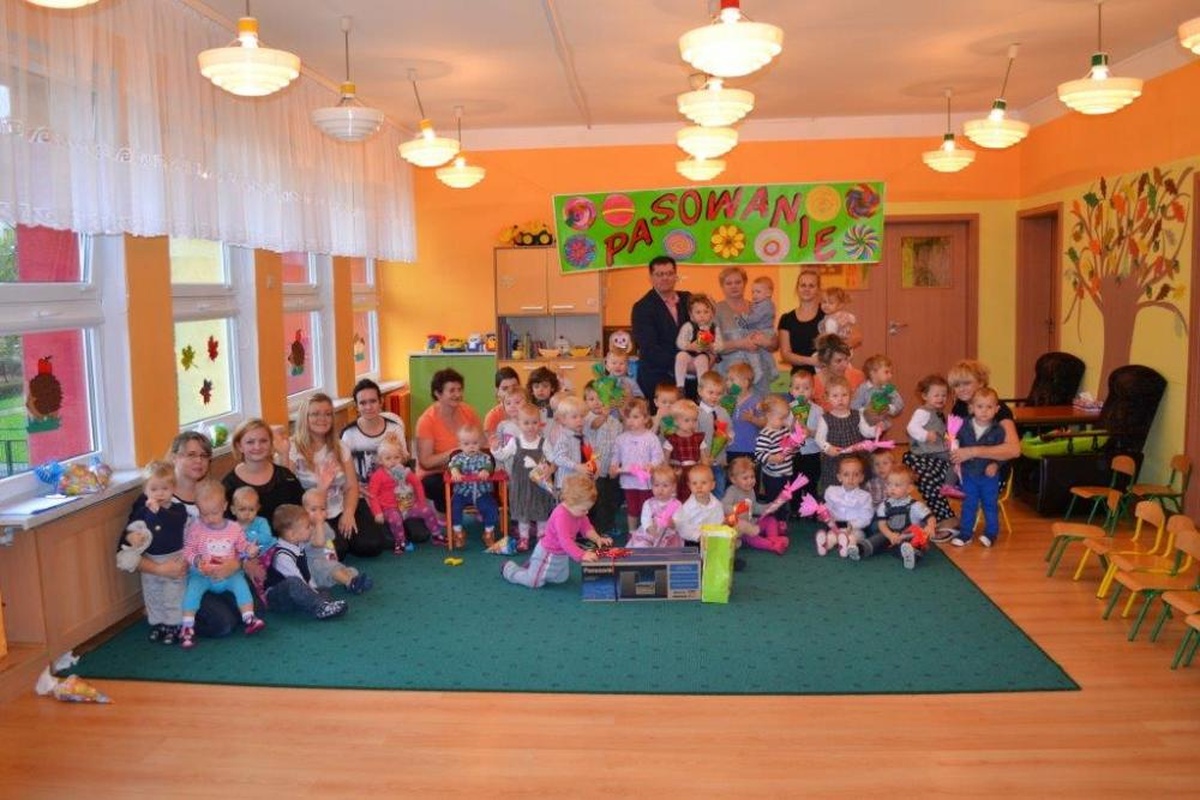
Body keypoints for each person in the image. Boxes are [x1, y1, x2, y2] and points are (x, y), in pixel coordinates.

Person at [120, 431, 243, 641]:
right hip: (177, 577)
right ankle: (168, 618)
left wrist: (235, 563)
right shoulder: (153, 499)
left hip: (210, 568)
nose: (199, 461)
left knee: (248, 607)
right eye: (191, 455)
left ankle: (177, 614)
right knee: (223, 624)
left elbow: (233, 535)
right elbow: (125, 549)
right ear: (175, 457)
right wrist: (160, 569)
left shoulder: (211, 493)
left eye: (204, 456)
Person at [284, 393, 388, 559]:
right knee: (338, 550)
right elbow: (287, 493)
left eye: (327, 414)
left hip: (340, 505)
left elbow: (352, 486)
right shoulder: (293, 449)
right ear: (305, 418)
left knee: (372, 545)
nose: (322, 419)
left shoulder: (339, 446)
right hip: (314, 514)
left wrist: (348, 512)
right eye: (315, 414)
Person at [178, 480, 264, 649]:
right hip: (202, 575)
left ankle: (249, 618)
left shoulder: (234, 528)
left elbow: (242, 546)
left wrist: (250, 550)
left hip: (229, 575)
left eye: (214, 513)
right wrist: (197, 560)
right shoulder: (196, 528)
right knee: (192, 592)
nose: (209, 519)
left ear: (224, 506)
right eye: (204, 514)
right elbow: (188, 550)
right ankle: (187, 626)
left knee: (241, 586)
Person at [119, 460, 192, 645]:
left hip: (174, 559)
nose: (159, 493)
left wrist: (159, 511)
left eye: (165, 488)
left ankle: (174, 625)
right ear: (145, 491)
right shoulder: (143, 511)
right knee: (153, 594)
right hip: (151, 560)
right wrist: (131, 536)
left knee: (173, 595)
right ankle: (158, 624)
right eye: (154, 489)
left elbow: (175, 522)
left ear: (173, 489)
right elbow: (133, 526)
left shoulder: (178, 510)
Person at [501, 473, 607, 589]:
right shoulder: (561, 516)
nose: (586, 512)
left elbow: (587, 528)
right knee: (534, 582)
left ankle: (533, 566)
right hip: (548, 552)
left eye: (587, 509)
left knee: (561, 579)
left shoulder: (579, 513)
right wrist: (582, 555)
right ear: (570, 502)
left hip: (561, 554)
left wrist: (597, 538)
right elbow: (565, 541)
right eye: (584, 509)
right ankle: (509, 569)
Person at [221, 417, 305, 535]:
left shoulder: (285, 476)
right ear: (239, 446)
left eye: (263, 441)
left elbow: (300, 512)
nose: (257, 447)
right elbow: (225, 528)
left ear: (271, 444)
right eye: (250, 442)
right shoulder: (229, 486)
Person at [263, 504, 348, 621]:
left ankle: (319, 603)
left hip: (295, 592)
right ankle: (320, 607)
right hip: (277, 598)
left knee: (323, 589)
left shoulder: (299, 545)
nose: (311, 529)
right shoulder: (282, 556)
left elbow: (306, 572)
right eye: (307, 527)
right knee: (294, 582)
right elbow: (298, 579)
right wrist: (313, 593)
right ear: (292, 534)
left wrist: (315, 589)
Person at [415, 368, 483, 513]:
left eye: (459, 389)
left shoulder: (468, 412)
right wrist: (455, 453)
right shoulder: (426, 421)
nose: (457, 394)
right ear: (438, 394)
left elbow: (482, 442)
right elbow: (425, 463)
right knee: (436, 484)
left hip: (467, 468)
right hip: (437, 474)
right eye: (452, 390)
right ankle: (447, 513)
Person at [951, 387, 1009, 548]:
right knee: (969, 504)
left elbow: (1004, 452)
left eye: (989, 407)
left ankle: (991, 533)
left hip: (989, 476)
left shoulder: (999, 431)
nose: (984, 411)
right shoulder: (963, 426)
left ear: (996, 409)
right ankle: (965, 534)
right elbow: (954, 443)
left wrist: (996, 464)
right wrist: (951, 445)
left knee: (989, 505)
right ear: (971, 408)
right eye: (980, 406)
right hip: (968, 474)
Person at [845, 465, 935, 570]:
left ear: (909, 488)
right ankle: (860, 549)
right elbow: (882, 524)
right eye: (889, 484)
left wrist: (930, 526)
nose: (892, 488)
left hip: (908, 536)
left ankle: (912, 555)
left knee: (918, 541)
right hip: (890, 534)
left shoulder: (915, 505)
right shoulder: (884, 505)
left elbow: (930, 517)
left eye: (897, 485)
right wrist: (890, 535)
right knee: (878, 538)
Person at [631, 255, 692, 406]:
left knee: (689, 420)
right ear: (651, 278)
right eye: (660, 274)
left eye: (670, 273)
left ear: (676, 276)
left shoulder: (688, 299)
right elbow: (649, 348)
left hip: (689, 380)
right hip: (658, 380)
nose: (665, 278)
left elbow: (701, 329)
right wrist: (685, 365)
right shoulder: (642, 307)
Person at [366, 438, 440, 554]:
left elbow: (417, 483)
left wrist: (421, 502)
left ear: (402, 458)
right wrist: (377, 512)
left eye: (396, 457)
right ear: (380, 460)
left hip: (407, 506)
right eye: (388, 458)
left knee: (427, 511)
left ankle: (437, 535)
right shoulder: (378, 476)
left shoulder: (404, 471)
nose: (393, 461)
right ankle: (400, 542)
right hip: (388, 509)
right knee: (396, 519)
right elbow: (372, 495)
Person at [903, 374, 956, 535]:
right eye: (936, 395)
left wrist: (947, 439)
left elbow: (940, 431)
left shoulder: (937, 412)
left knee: (954, 458)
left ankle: (947, 487)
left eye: (944, 395)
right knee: (955, 460)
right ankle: (948, 486)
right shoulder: (923, 412)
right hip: (928, 450)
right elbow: (911, 428)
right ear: (925, 396)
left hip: (934, 449)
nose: (941, 398)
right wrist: (925, 435)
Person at [503, 402, 558, 553]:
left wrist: (550, 469)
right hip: (521, 485)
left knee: (541, 511)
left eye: (534, 422)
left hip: (539, 485)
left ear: (540, 423)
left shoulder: (543, 442)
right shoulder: (515, 442)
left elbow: (554, 460)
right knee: (523, 512)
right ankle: (524, 538)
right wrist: (495, 449)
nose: (531, 426)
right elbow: (503, 455)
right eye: (526, 423)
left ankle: (542, 536)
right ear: (519, 423)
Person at [715, 269, 779, 397]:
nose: (734, 286)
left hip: (759, 377)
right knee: (732, 408)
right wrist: (741, 344)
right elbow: (712, 346)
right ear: (722, 286)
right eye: (728, 283)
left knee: (760, 407)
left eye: (738, 282)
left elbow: (775, 344)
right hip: (730, 377)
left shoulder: (759, 307)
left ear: (745, 283)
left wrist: (768, 342)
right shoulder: (715, 310)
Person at [609, 396, 665, 534]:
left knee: (649, 508)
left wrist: (651, 466)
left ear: (645, 418)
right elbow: (615, 457)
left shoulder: (651, 438)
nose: (631, 421)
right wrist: (613, 467)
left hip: (647, 483)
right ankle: (632, 532)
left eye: (635, 417)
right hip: (629, 483)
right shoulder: (621, 439)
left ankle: (649, 532)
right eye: (628, 417)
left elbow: (658, 458)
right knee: (632, 509)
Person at [302, 489, 373, 594]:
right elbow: (319, 542)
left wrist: (333, 558)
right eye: (313, 510)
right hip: (314, 565)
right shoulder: (305, 529)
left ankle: (352, 579)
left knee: (344, 569)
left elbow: (328, 543)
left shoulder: (325, 525)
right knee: (333, 569)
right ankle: (351, 583)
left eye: (322, 509)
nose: (319, 513)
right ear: (303, 512)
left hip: (325, 561)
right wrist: (319, 524)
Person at [814, 375, 875, 495]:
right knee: (836, 487)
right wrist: (827, 448)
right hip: (835, 460)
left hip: (857, 458)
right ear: (827, 398)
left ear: (851, 396)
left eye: (844, 395)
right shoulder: (825, 418)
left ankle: (858, 501)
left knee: (858, 484)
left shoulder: (857, 414)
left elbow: (866, 432)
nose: (840, 399)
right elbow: (819, 438)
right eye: (835, 396)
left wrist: (875, 429)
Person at [340, 378, 407, 488]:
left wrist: (393, 448)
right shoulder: (348, 434)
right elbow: (343, 471)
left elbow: (404, 460)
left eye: (373, 401)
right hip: (360, 491)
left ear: (381, 402)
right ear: (356, 406)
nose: (368, 407)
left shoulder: (394, 428)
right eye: (363, 403)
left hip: (390, 488)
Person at [447, 424, 501, 549]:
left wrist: (486, 471)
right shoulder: (458, 458)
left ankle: (488, 532)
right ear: (460, 445)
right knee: (454, 507)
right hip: (462, 492)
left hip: (481, 492)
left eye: (475, 443)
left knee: (491, 507)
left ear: (480, 443)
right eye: (466, 444)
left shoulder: (485, 457)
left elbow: (489, 466)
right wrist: (455, 472)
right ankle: (458, 532)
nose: (471, 446)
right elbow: (453, 466)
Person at [723, 456, 789, 554]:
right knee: (752, 537)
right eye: (745, 478)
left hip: (751, 522)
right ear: (733, 480)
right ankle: (771, 545)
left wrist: (770, 507)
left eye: (752, 477)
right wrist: (738, 508)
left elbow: (755, 507)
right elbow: (724, 507)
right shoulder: (732, 491)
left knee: (770, 520)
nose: (750, 481)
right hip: (740, 529)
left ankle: (774, 539)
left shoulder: (751, 490)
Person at [583, 380, 623, 537]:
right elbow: (595, 425)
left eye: (600, 398)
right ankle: (595, 530)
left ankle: (608, 525)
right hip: (594, 469)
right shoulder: (587, 418)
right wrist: (605, 414)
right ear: (586, 402)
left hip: (610, 468)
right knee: (596, 499)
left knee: (611, 498)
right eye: (591, 399)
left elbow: (618, 445)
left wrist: (616, 464)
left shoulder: (615, 422)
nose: (597, 402)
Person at [816, 454, 874, 559]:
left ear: (861, 478)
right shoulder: (832, 491)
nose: (851, 478)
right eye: (846, 474)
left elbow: (866, 517)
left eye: (856, 475)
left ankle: (848, 547)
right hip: (836, 527)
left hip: (855, 528)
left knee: (853, 537)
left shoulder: (865, 496)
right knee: (831, 536)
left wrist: (852, 526)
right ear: (839, 477)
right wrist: (823, 514)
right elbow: (828, 508)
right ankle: (825, 545)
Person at [754, 395, 798, 528]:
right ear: (769, 416)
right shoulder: (765, 434)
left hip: (786, 473)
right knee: (774, 500)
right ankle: (772, 521)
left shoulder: (784, 430)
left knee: (784, 499)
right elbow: (759, 454)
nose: (785, 421)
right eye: (781, 418)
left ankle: (781, 520)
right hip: (773, 476)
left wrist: (795, 446)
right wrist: (773, 458)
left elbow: (791, 449)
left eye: (786, 418)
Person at [777, 269, 826, 375]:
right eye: (803, 285)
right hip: (799, 380)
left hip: (826, 378)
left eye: (811, 286)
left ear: (818, 289)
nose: (806, 289)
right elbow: (785, 355)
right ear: (797, 288)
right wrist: (812, 361)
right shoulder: (786, 319)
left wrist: (835, 351)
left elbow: (856, 337)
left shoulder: (828, 314)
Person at [786, 369, 823, 509]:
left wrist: (810, 432)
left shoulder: (818, 410)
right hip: (794, 453)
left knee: (811, 482)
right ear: (791, 391)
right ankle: (795, 508)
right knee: (794, 481)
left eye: (806, 388)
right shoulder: (788, 409)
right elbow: (785, 430)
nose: (801, 392)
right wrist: (793, 424)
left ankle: (811, 508)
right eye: (797, 388)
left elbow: (822, 433)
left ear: (813, 391)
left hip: (812, 452)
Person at [626, 462, 683, 548]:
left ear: (673, 487)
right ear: (652, 486)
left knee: (669, 549)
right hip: (650, 533)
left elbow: (679, 521)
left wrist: (671, 523)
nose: (660, 489)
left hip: (668, 536)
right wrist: (650, 528)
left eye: (665, 486)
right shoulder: (648, 503)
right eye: (656, 485)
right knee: (641, 545)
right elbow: (645, 519)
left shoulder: (676, 504)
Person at [696, 370, 733, 498]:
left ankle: (718, 511)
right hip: (701, 463)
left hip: (719, 462)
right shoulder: (696, 413)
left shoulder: (724, 412)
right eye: (710, 392)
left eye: (719, 394)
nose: (714, 397)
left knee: (719, 492)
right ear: (700, 391)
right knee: (701, 493)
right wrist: (704, 458)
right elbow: (694, 437)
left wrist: (729, 438)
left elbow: (730, 431)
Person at [674, 293, 722, 390]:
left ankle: (701, 387)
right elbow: (680, 342)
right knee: (680, 356)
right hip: (689, 354)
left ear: (712, 314)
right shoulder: (688, 326)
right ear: (691, 315)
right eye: (698, 312)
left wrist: (711, 346)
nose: (702, 315)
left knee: (702, 360)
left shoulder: (714, 328)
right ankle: (680, 385)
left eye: (706, 312)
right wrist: (689, 346)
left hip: (703, 355)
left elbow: (720, 345)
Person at [663, 398, 706, 501]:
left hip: (694, 475)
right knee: (677, 497)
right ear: (676, 421)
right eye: (687, 420)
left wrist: (704, 472)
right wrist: (669, 475)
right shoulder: (672, 439)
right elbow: (665, 461)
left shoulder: (698, 438)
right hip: (677, 474)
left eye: (694, 420)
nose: (691, 423)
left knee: (694, 497)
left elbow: (704, 459)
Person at [671, 464, 724, 546]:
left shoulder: (717, 504)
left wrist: (715, 534)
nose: (699, 487)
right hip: (692, 540)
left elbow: (719, 522)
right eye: (694, 483)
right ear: (689, 486)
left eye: (703, 483)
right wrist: (697, 536)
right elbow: (681, 527)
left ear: (712, 485)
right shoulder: (687, 507)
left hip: (711, 539)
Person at [811, 333, 866, 410]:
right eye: (838, 361)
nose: (845, 365)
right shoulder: (812, 384)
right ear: (825, 363)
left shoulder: (858, 376)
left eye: (846, 359)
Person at [723, 361, 763, 465]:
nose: (727, 383)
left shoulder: (756, 401)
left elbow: (764, 423)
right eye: (727, 379)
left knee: (750, 474)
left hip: (750, 449)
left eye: (732, 380)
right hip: (730, 448)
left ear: (745, 383)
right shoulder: (727, 401)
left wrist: (753, 419)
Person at [852, 354, 904, 429]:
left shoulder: (889, 388)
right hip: (865, 427)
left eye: (891, 373)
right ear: (873, 373)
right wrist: (866, 410)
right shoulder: (863, 389)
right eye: (886, 372)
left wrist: (889, 408)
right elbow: (854, 407)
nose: (890, 376)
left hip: (882, 426)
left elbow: (900, 404)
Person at [483, 367, 522, 436]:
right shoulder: (492, 417)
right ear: (497, 392)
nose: (510, 391)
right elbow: (491, 441)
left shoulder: (530, 411)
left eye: (514, 388)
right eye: (505, 388)